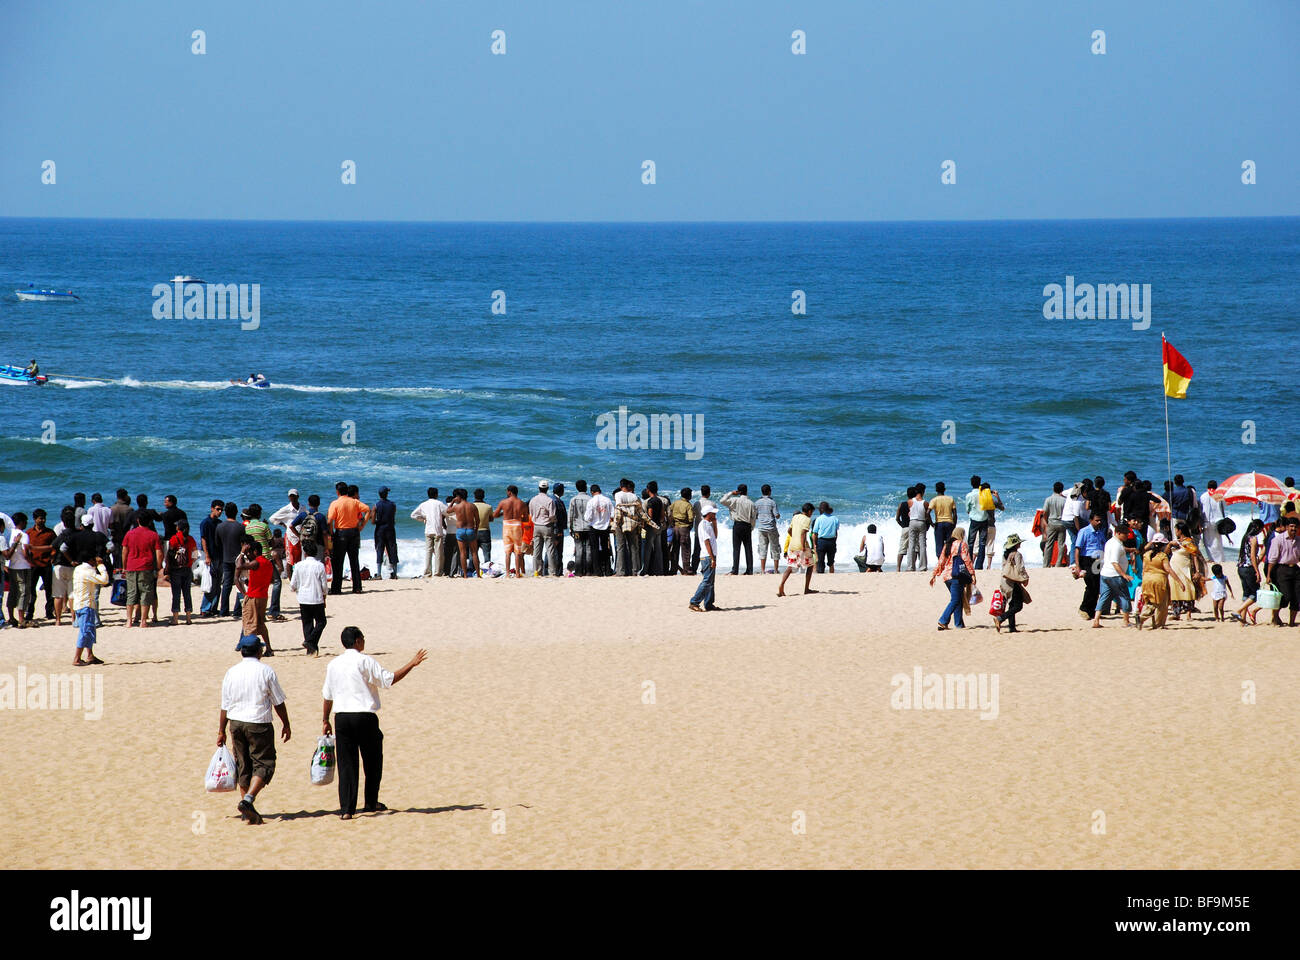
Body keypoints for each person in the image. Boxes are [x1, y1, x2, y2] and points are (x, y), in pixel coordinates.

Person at [321, 626, 427, 819]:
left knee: (347, 764)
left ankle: (346, 809)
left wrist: (325, 720)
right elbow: (389, 680)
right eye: (363, 638)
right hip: (364, 716)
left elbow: (327, 696)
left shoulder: (333, 664)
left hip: (342, 718)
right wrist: (412, 664)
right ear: (357, 641)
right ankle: (370, 802)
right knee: (372, 761)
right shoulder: (365, 661)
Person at [218, 634, 291, 825]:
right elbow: (278, 701)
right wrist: (286, 723)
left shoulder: (231, 672)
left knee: (243, 764)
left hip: (236, 723)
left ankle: (245, 809)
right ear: (259, 651)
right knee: (265, 763)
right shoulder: (266, 671)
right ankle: (248, 799)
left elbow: (225, 705)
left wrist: (221, 731)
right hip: (258, 723)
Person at [122, 515, 163, 628]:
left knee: (131, 593)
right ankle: (143, 621)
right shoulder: (153, 535)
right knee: (145, 593)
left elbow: (124, 551)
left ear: (138, 521)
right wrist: (159, 567)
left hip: (131, 565)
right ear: (149, 522)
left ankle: (129, 621)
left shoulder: (130, 533)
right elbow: (159, 553)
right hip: (146, 567)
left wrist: (124, 566)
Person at [929, 526, 974, 630]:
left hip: (947, 578)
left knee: (958, 599)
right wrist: (972, 574)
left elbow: (941, 561)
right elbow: (967, 560)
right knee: (955, 600)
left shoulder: (947, 545)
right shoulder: (962, 544)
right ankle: (943, 620)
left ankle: (959, 624)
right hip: (956, 576)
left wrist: (935, 574)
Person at [236, 537, 275, 654]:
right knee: (261, 624)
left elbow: (239, 566)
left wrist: (242, 552)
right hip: (263, 596)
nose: (248, 554)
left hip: (253, 596)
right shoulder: (268, 563)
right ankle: (269, 648)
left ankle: (251, 649)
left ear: (255, 551)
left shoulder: (256, 562)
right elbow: (271, 579)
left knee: (249, 624)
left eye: (250, 552)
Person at [1136, 541, 1188, 630]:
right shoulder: (1162, 556)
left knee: (1150, 602)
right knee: (1161, 603)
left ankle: (1142, 617)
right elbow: (1168, 569)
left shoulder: (1146, 555)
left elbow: (1144, 569)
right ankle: (1157, 624)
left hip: (1147, 580)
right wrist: (1179, 582)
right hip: (1159, 580)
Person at [290, 540, 329, 656]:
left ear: (305, 552)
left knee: (307, 623)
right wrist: (325, 596)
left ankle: (310, 648)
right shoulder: (320, 566)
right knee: (321, 622)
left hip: (303, 598)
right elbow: (324, 585)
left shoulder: (298, 566)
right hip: (316, 598)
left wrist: (296, 589)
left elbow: (293, 585)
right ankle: (310, 642)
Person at [327, 481, 366, 594]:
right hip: (354, 532)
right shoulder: (354, 502)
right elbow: (367, 509)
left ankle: (336, 589)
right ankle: (357, 587)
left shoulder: (335, 503)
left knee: (338, 562)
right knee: (354, 561)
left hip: (341, 533)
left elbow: (330, 521)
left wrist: (331, 533)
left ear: (337, 492)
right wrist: (362, 526)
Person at [71, 552, 109, 666]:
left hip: (80, 604)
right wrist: (101, 566)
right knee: (85, 632)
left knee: (89, 631)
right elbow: (104, 580)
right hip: (85, 605)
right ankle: (77, 658)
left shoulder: (78, 569)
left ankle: (90, 655)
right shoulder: (88, 571)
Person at [1091, 525, 1132, 629]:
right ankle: (1126, 621)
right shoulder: (1116, 545)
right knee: (1124, 597)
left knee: (1104, 597)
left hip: (1105, 574)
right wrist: (1124, 574)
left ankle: (1096, 620)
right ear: (1118, 533)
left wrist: (1130, 549)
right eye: (1125, 534)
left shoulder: (1111, 542)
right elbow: (1114, 562)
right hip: (1114, 575)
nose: (1127, 535)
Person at [1263, 516, 1300, 627]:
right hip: (1282, 569)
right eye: (1291, 526)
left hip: (1295, 569)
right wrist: (1268, 575)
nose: (1293, 529)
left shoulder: (1298, 540)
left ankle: (1292, 622)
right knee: (1285, 596)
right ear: (1287, 527)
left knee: (1297, 597)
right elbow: (1272, 559)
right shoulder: (1278, 540)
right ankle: (1275, 616)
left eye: (1295, 527)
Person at [1071, 512, 1108, 620]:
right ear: (1091, 520)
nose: (1099, 522)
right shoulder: (1084, 531)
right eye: (1097, 520)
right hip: (1086, 560)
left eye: (1100, 520)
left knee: (1096, 586)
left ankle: (1092, 611)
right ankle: (1084, 608)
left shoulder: (1100, 532)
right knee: (1090, 585)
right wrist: (1078, 566)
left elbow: (1103, 545)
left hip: (1098, 560)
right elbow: (1077, 549)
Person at [778, 502, 818, 597]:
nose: (811, 514)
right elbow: (803, 533)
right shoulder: (807, 519)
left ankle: (782, 585)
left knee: (790, 566)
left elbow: (789, 530)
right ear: (809, 511)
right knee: (811, 565)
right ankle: (806, 589)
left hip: (792, 546)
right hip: (801, 546)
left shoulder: (795, 517)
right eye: (811, 512)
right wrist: (803, 546)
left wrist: (794, 537)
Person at [613, 480, 650, 577]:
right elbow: (640, 512)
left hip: (621, 523)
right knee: (634, 547)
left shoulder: (618, 495)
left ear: (621, 487)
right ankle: (635, 571)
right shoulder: (635, 496)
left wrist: (615, 523)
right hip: (633, 523)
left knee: (620, 547)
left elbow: (618, 509)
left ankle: (620, 571)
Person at [1168, 523, 1205, 620]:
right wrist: (1170, 544)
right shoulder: (1175, 542)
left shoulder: (1188, 542)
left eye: (1176, 530)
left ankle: (1188, 613)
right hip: (1174, 568)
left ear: (1180, 531)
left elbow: (1195, 556)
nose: (1175, 532)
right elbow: (1166, 552)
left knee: (1188, 588)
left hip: (1184, 568)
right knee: (1174, 589)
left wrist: (1197, 571)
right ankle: (1177, 613)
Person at [688, 501, 719, 612]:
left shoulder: (708, 524)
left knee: (710, 581)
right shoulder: (704, 524)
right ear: (708, 514)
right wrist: (712, 558)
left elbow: (715, 536)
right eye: (713, 514)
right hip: (707, 556)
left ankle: (709, 603)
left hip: (709, 556)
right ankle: (694, 602)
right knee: (707, 581)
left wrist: (715, 523)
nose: (715, 515)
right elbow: (706, 542)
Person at [217, 502, 246, 617]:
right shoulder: (240, 527)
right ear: (236, 512)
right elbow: (244, 543)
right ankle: (237, 610)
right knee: (239, 583)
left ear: (225, 513)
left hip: (225, 557)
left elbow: (217, 543)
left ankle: (224, 610)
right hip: (238, 558)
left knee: (226, 584)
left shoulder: (220, 527)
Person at [2, 513, 31, 628]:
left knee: (13, 592)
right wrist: (31, 561)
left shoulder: (8, 534)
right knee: (23, 592)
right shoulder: (23, 535)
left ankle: (11, 617)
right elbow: (25, 553)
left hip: (11, 567)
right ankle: (21, 618)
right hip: (22, 566)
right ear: (22, 522)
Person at [166, 519, 197, 626]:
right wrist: (190, 563)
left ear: (178, 528)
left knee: (176, 594)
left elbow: (169, 554)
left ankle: (175, 619)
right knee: (187, 593)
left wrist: (168, 568)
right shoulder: (191, 539)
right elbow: (195, 554)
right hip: (187, 569)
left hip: (176, 569)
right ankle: (188, 618)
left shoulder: (174, 539)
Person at [1234, 519, 1264, 626]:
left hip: (1240, 567)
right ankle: (1238, 610)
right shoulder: (1253, 539)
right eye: (1261, 529)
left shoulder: (1245, 537)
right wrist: (1257, 571)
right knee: (1256, 594)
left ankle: (1242, 621)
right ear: (1258, 528)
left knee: (1246, 594)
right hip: (1248, 568)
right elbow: (1252, 556)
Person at [493, 485, 528, 577]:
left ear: (509, 492)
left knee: (508, 552)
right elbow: (526, 519)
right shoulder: (522, 503)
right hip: (517, 527)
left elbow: (495, 515)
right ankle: (517, 573)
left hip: (507, 527)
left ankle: (508, 573)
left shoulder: (503, 502)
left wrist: (503, 513)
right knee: (517, 552)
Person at [411, 487, 446, 578]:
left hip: (428, 530)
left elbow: (413, 515)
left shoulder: (424, 504)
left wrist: (423, 519)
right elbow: (447, 512)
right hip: (438, 530)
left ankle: (427, 572)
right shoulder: (439, 504)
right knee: (438, 552)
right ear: (436, 494)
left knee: (428, 552)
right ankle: (437, 572)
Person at [721, 485, 756, 576]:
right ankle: (749, 570)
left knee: (736, 548)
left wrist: (731, 493)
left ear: (738, 492)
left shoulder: (735, 500)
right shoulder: (751, 503)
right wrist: (752, 527)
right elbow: (753, 518)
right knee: (748, 548)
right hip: (747, 525)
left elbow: (722, 501)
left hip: (738, 525)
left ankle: (735, 569)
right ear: (746, 491)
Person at [997, 533, 1029, 632]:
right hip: (1013, 581)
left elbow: (1004, 567)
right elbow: (1020, 569)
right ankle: (1000, 618)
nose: (1020, 544)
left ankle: (1012, 627)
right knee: (1018, 606)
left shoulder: (1005, 554)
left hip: (1004, 581)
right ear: (1016, 545)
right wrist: (1025, 578)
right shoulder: (1017, 554)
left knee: (1011, 604)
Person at [199, 499, 225, 617]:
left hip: (220, 555)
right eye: (218, 509)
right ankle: (205, 608)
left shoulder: (220, 523)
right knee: (211, 584)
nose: (220, 512)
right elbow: (203, 539)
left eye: (221, 510)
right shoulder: (206, 523)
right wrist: (207, 556)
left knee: (218, 584)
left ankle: (213, 607)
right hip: (211, 556)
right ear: (212, 508)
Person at [528, 481, 559, 578]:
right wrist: (554, 521)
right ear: (547, 489)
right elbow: (552, 515)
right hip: (547, 525)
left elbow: (531, 514)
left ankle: (537, 571)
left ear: (539, 488)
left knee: (537, 550)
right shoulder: (550, 500)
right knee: (550, 550)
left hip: (536, 526)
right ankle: (552, 572)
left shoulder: (533, 500)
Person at [447, 489, 480, 578]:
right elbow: (477, 520)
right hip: (470, 530)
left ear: (458, 497)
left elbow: (448, 510)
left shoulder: (456, 507)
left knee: (462, 553)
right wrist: (476, 530)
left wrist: (452, 501)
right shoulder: (472, 506)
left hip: (460, 530)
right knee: (474, 553)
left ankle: (465, 575)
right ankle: (478, 574)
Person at [269, 489, 303, 572]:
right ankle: (291, 581)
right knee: (290, 560)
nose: (292, 498)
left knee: (300, 558)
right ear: (289, 497)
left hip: (301, 536)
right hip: (290, 537)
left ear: (298, 496)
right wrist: (283, 525)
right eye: (291, 496)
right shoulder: (286, 509)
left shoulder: (302, 507)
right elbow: (272, 518)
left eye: (294, 496)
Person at [584, 484, 613, 577]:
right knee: (605, 548)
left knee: (595, 549)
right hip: (605, 527)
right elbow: (612, 514)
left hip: (594, 527)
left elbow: (588, 517)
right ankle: (607, 570)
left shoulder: (591, 501)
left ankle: (597, 571)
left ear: (592, 492)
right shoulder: (607, 500)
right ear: (600, 490)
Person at [753, 484, 782, 574]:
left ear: (762, 492)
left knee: (762, 548)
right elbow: (776, 515)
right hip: (771, 528)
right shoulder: (772, 502)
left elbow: (755, 516)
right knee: (775, 548)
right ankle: (776, 570)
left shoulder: (757, 502)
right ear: (769, 492)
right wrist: (778, 515)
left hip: (761, 528)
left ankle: (762, 570)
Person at [371, 487, 398, 579]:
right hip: (390, 529)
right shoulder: (393, 505)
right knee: (392, 550)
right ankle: (394, 573)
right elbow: (393, 518)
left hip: (380, 530)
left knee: (379, 550)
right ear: (386, 494)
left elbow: (373, 521)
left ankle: (379, 574)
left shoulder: (376, 506)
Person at [1040, 482, 1069, 567]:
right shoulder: (1064, 500)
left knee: (1049, 544)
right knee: (1061, 544)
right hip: (1062, 523)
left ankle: (1046, 564)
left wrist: (1046, 521)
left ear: (1053, 489)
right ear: (1062, 490)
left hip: (1052, 523)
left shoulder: (1048, 499)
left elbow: (1044, 512)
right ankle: (1058, 564)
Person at [568, 480, 593, 576]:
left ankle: (578, 571)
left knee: (579, 550)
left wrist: (570, 528)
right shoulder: (590, 499)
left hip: (577, 528)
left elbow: (570, 515)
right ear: (586, 487)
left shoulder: (573, 500)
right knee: (588, 550)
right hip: (588, 528)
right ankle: (588, 571)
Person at [964, 476, 989, 569]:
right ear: (979, 483)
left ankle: (969, 564)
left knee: (971, 542)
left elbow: (967, 509)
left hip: (974, 520)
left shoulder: (969, 495)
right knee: (982, 542)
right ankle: (979, 565)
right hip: (984, 519)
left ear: (971, 484)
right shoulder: (984, 494)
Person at [1199, 481, 1226, 563]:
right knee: (1217, 542)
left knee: (1208, 542)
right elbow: (1223, 509)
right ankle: (1219, 559)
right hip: (1218, 522)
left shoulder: (1203, 496)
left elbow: (1201, 510)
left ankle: (1211, 559)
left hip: (1206, 522)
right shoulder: (1219, 496)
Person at [928, 482, 956, 558]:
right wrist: (954, 525)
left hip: (939, 524)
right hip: (949, 523)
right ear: (945, 489)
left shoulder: (934, 500)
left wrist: (931, 524)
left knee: (939, 545)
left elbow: (927, 513)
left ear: (936, 490)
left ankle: (940, 562)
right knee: (949, 544)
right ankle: (949, 561)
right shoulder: (950, 499)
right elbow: (955, 514)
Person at [905, 484, 929, 571]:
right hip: (922, 522)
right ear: (923, 491)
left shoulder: (910, 501)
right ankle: (923, 566)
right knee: (922, 545)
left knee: (911, 544)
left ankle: (910, 566)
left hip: (912, 522)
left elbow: (910, 512)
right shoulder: (925, 503)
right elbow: (927, 515)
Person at [689, 485, 712, 574]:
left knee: (697, 550)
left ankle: (694, 569)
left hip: (698, 530)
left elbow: (693, 515)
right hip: (709, 530)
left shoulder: (696, 503)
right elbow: (713, 518)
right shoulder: (712, 504)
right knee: (707, 550)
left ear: (701, 492)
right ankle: (705, 568)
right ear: (709, 493)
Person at [812, 502, 840, 573]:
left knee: (821, 561)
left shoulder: (818, 519)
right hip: (832, 541)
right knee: (831, 562)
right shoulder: (835, 519)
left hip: (821, 541)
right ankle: (832, 575)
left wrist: (814, 544)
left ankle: (821, 574)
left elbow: (815, 533)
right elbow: (836, 532)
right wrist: (834, 541)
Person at [473, 488, 494, 569]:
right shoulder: (488, 507)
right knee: (487, 553)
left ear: (474, 496)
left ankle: (472, 569)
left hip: (473, 530)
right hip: (485, 531)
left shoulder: (471, 506)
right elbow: (491, 519)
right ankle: (487, 569)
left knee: (473, 552)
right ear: (483, 496)